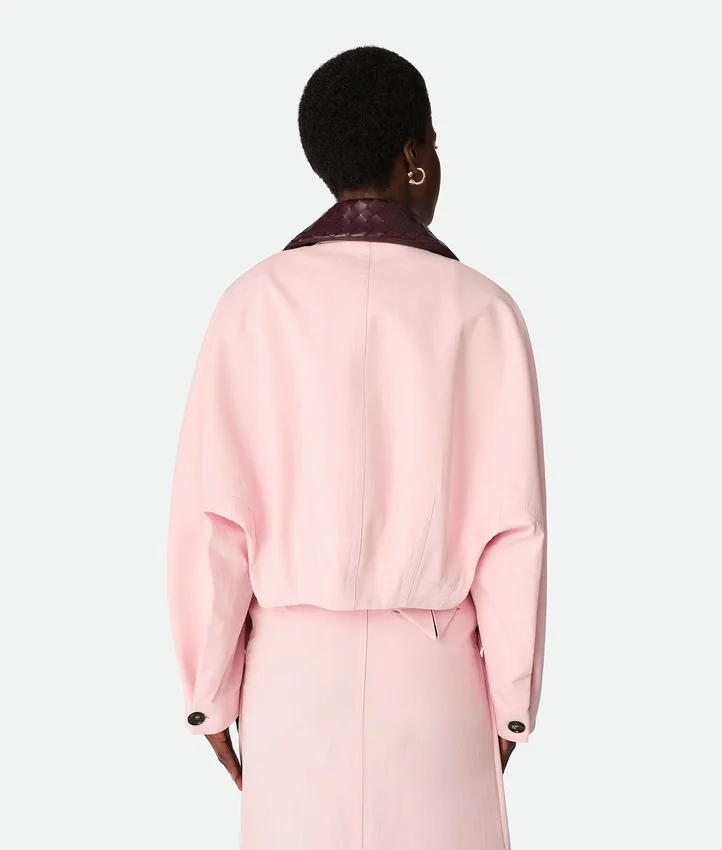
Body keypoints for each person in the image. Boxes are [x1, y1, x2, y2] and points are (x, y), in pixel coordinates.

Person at [167, 45, 547, 850]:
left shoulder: (251, 304)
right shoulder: (483, 311)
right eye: (433, 142)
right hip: (437, 681)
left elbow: (213, 522)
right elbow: (514, 531)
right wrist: (512, 703)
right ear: (414, 155)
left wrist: (210, 692)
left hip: (291, 680)